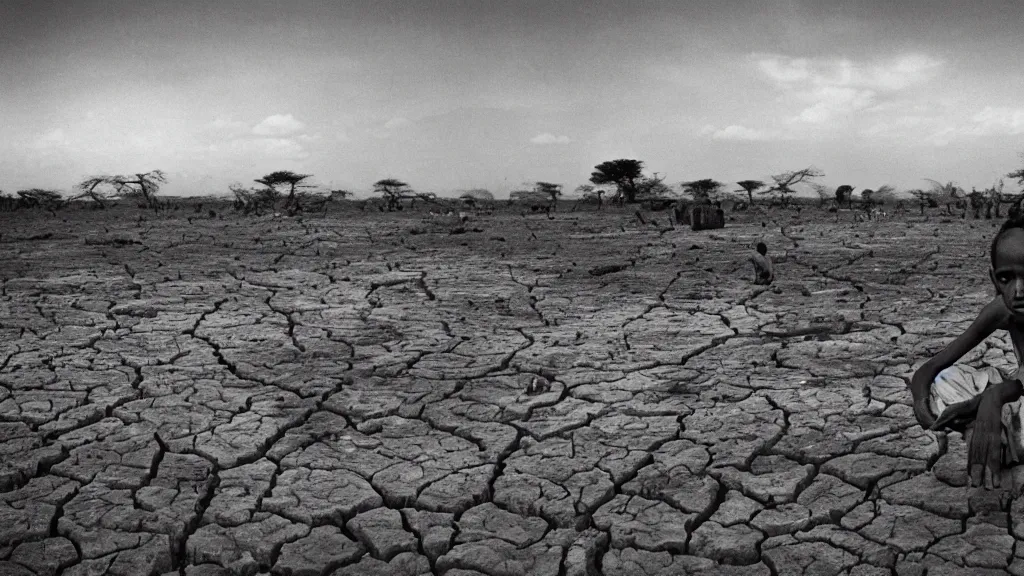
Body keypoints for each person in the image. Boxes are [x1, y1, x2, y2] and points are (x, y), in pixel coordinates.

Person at [912, 217, 1024, 490]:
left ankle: (999, 434)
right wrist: (922, 406)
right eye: (1006, 278)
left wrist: (990, 399)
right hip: (1018, 390)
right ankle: (991, 433)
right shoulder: (1002, 309)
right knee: (946, 381)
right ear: (993, 279)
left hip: (1017, 391)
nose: (1019, 290)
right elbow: (929, 371)